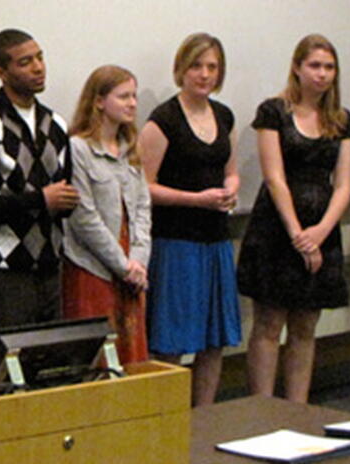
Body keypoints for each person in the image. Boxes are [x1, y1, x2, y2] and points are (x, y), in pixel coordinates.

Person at [0, 28, 77, 393]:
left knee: (47, 374)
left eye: (40, 58)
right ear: (1, 71)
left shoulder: (56, 125)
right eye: (25, 62)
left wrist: (65, 202)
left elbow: (63, 192)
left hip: (49, 267)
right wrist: (39, 201)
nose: (38, 68)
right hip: (3, 273)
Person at [237, 34, 350, 403]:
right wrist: (298, 234)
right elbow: (274, 178)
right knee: (269, 324)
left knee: (306, 326)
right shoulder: (274, 111)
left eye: (329, 67)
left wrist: (320, 232)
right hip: (277, 229)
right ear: (297, 68)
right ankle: (264, 408)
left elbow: (343, 185)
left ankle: (297, 410)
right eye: (315, 65)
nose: (322, 74)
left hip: (322, 230)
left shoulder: (341, 119)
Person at [140, 33, 241, 406]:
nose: (204, 74)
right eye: (197, 66)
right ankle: (165, 417)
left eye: (212, 67)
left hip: (215, 241)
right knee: (173, 341)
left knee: (213, 341)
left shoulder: (224, 115)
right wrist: (196, 200)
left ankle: (204, 415)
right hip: (175, 243)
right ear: (181, 69)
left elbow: (229, 170)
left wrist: (230, 188)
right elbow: (144, 188)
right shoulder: (162, 120)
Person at [62, 65, 150, 366]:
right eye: (124, 96)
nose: (133, 103)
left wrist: (138, 260)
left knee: (132, 357)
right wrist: (122, 265)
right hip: (94, 269)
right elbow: (84, 217)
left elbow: (142, 208)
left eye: (134, 96)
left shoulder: (130, 147)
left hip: (132, 268)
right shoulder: (78, 149)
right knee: (98, 358)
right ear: (99, 101)